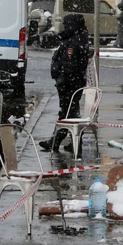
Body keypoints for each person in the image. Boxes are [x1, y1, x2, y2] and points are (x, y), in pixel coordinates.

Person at [40, 12, 93, 153]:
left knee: (67, 112)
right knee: (70, 112)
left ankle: (58, 142)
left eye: (66, 24)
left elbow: (70, 64)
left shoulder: (75, 41)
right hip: (70, 82)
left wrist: (62, 78)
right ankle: (70, 142)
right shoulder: (75, 38)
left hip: (70, 83)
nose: (64, 27)